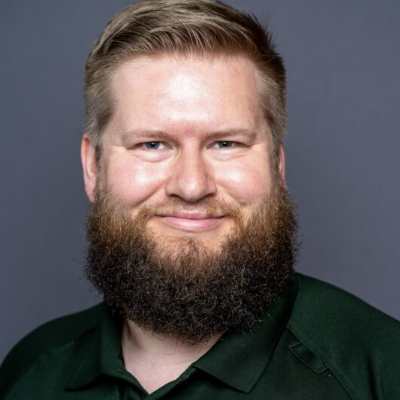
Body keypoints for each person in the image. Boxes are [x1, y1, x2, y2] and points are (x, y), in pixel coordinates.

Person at [0, 0, 399, 398]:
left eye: (226, 143)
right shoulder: (31, 371)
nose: (192, 186)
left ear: (277, 164)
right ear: (93, 167)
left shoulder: (381, 371)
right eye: (152, 144)